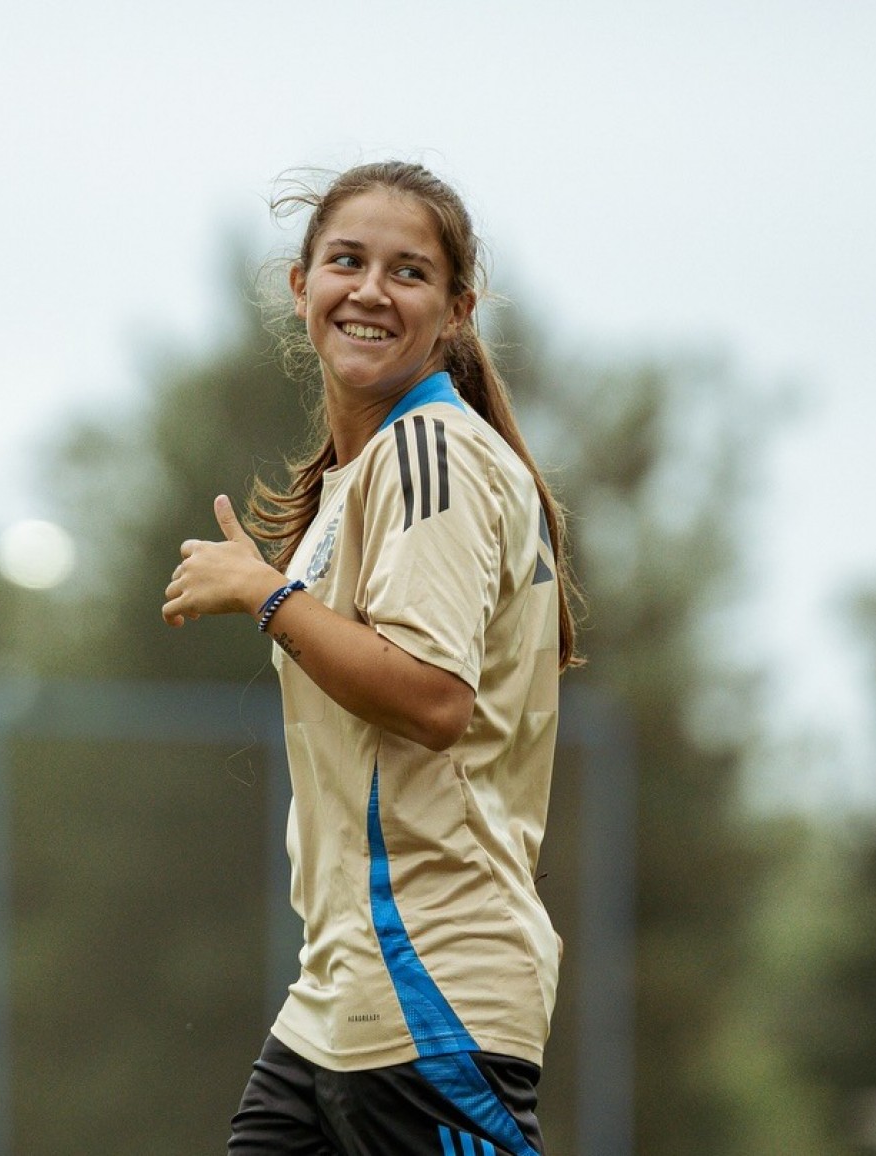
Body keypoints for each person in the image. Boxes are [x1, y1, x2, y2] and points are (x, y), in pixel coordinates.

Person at [161, 160, 579, 1156]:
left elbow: (433, 697)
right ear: (301, 285)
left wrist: (264, 593)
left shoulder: (429, 451)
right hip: (341, 989)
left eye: (409, 271)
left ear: (455, 310)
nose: (370, 290)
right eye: (346, 261)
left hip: (434, 977)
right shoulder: (364, 471)